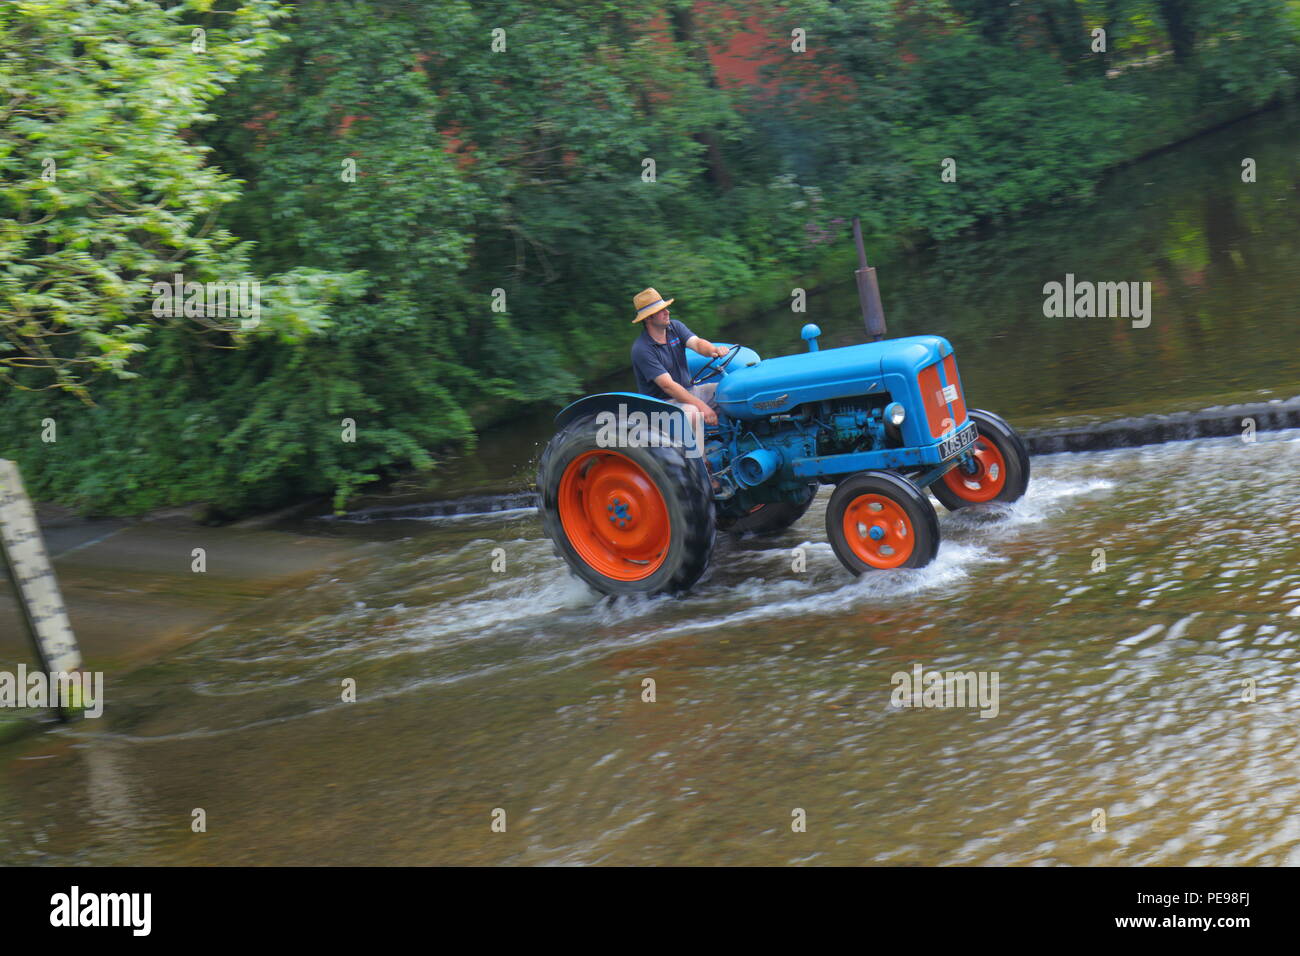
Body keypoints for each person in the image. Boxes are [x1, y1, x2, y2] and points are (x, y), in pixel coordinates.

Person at [629, 287, 728, 429]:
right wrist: (702, 407)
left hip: (689, 391)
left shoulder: (675, 327)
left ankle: (736, 438)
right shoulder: (642, 349)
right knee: (692, 412)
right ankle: (697, 452)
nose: (667, 312)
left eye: (666, 308)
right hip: (662, 404)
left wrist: (714, 350)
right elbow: (667, 385)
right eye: (661, 310)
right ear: (649, 318)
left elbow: (697, 343)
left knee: (728, 391)